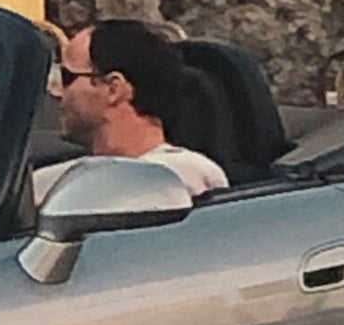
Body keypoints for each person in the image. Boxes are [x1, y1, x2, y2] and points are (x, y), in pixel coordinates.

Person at [33, 18, 228, 203]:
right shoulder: (59, 178)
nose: (55, 90)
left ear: (113, 88)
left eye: (67, 77)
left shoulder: (181, 176)